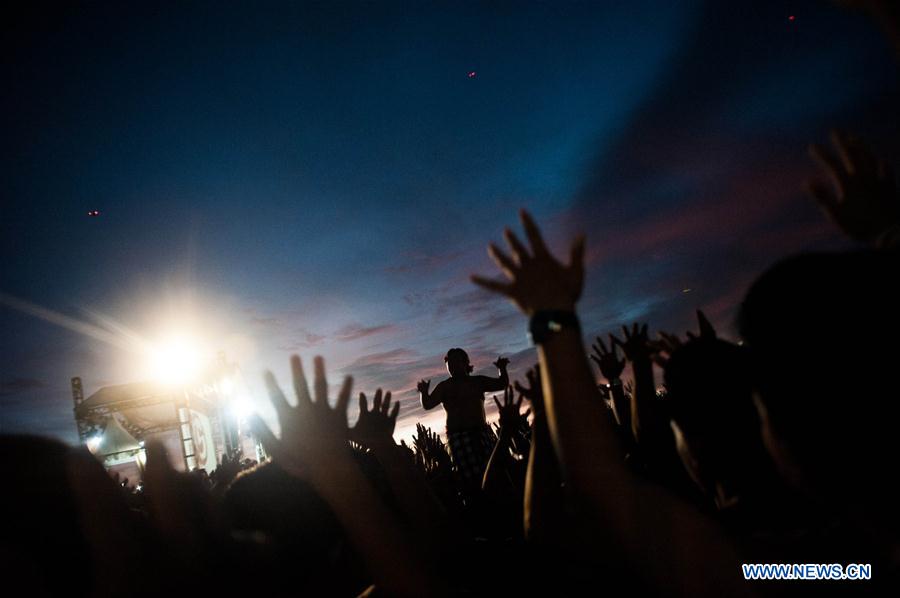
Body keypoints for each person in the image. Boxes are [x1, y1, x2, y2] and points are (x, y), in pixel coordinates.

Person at [418, 348, 509, 498]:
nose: (452, 365)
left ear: (466, 363)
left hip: (481, 434)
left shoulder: (477, 381)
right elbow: (428, 404)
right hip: (458, 438)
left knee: (493, 472)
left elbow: (502, 384)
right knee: (470, 480)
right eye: (449, 362)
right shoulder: (444, 386)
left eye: (456, 361)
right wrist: (423, 393)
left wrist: (502, 369)